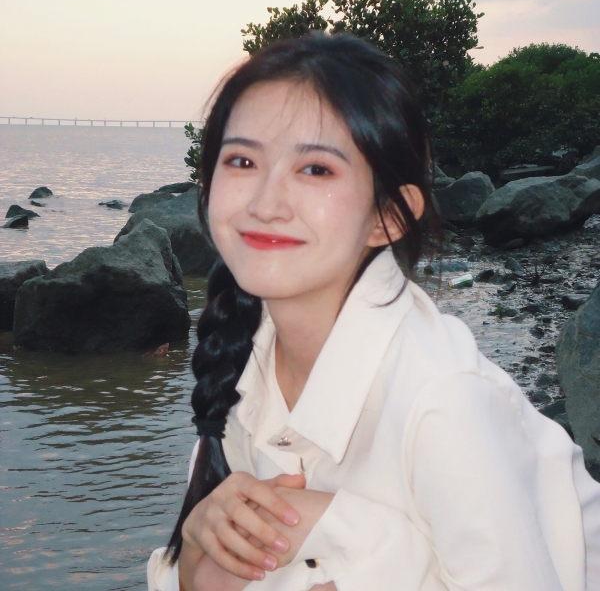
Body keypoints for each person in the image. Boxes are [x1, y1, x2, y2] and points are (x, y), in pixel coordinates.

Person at [148, 32, 600, 591]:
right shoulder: (241, 357)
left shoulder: (443, 401)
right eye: (242, 160)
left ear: (389, 215)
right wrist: (194, 551)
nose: (265, 203)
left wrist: (340, 528)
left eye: (316, 169)